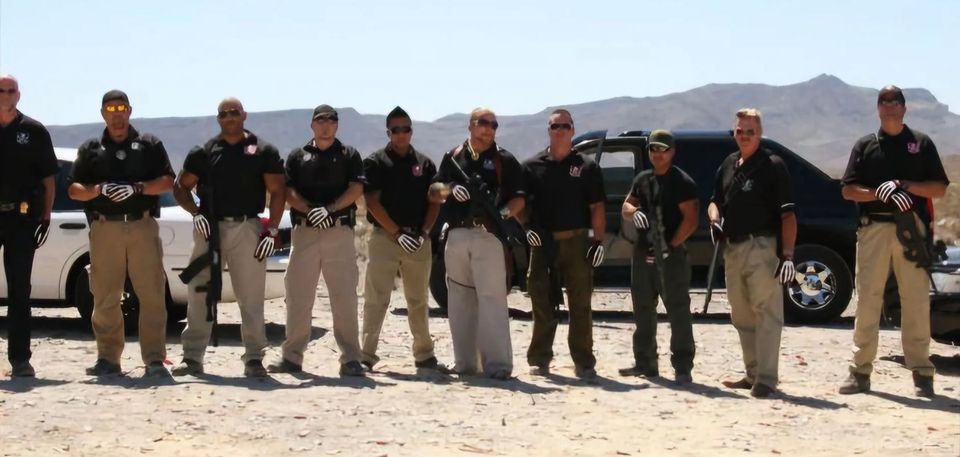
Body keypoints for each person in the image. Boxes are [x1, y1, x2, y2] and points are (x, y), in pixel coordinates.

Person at [838, 85, 949, 397]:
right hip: (873, 228)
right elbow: (847, 190)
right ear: (878, 108)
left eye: (894, 101)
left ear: (903, 107)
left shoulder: (921, 143)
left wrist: (907, 186)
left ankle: (922, 374)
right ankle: (860, 372)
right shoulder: (865, 145)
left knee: (915, 300)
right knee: (868, 300)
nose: (889, 107)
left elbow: (938, 188)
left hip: (911, 230)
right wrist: (877, 193)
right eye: (883, 102)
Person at [171, 98, 285, 378]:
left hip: (247, 227)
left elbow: (279, 191)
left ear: (244, 115)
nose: (230, 118)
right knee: (200, 293)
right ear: (218, 118)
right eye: (224, 114)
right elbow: (181, 186)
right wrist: (195, 212)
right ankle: (192, 357)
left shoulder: (263, 151)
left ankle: (255, 358)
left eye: (235, 113)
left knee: (250, 295)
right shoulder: (205, 152)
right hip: (210, 229)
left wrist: (272, 230)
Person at [69, 90, 175, 377]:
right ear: (103, 113)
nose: (116, 114)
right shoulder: (91, 148)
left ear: (130, 110)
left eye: (121, 108)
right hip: (105, 228)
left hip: (142, 225)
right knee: (104, 294)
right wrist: (99, 189)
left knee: (152, 292)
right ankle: (108, 358)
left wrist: (138, 188)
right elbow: (74, 189)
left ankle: (154, 359)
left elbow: (167, 181)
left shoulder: (149, 145)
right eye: (110, 109)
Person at [267, 105, 366, 377]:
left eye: (331, 121)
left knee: (344, 296)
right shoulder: (298, 156)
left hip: (339, 231)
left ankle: (351, 359)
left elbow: (356, 187)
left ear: (337, 125)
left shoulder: (349, 155)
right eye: (320, 121)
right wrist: (310, 210)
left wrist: (331, 209)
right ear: (312, 125)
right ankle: (291, 357)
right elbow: (288, 191)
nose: (326, 126)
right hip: (305, 232)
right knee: (298, 294)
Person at [707, 108, 797, 398]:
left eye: (750, 131)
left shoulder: (772, 165)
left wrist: (787, 256)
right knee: (741, 313)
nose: (744, 136)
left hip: (762, 246)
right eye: (739, 131)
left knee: (767, 312)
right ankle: (752, 373)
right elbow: (714, 201)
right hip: (732, 247)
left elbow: (788, 215)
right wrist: (714, 218)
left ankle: (767, 379)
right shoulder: (729, 164)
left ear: (759, 133)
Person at [430, 107, 525, 380]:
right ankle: (465, 364)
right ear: (470, 125)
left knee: (492, 300)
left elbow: (519, 197)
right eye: (483, 123)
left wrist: (502, 215)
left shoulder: (503, 160)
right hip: (457, 236)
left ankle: (498, 366)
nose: (489, 129)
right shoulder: (453, 157)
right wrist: (449, 190)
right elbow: (433, 191)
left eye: (494, 125)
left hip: (489, 236)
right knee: (459, 302)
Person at [521, 109, 605, 380]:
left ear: (572, 129)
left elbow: (597, 207)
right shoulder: (532, 166)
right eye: (555, 126)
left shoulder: (587, 166)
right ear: (548, 130)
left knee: (580, 302)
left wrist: (598, 241)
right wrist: (526, 228)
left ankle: (583, 360)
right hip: (542, 242)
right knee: (540, 299)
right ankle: (540, 358)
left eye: (565, 126)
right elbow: (520, 203)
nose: (560, 131)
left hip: (576, 241)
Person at [359, 106, 445, 371]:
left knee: (418, 298)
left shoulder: (425, 163)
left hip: (417, 238)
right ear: (388, 132)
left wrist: (424, 232)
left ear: (411, 131)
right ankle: (365, 354)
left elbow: (436, 199)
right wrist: (396, 232)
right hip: (385, 237)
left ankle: (424, 354)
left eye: (405, 129)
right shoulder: (375, 162)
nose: (401, 134)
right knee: (377, 296)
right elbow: (371, 202)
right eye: (395, 130)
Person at [618, 130, 698, 384]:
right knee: (642, 307)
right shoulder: (643, 179)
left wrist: (671, 245)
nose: (658, 154)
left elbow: (692, 219)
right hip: (643, 253)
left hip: (671, 255)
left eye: (663, 149)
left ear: (672, 151)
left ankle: (682, 366)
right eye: (654, 149)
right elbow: (626, 204)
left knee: (677, 310)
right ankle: (645, 362)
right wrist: (633, 211)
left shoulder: (682, 181)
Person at [0, 74, 58, 378]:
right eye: (2, 91)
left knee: (20, 290)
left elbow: (49, 179)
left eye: (11, 91)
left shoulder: (33, 131)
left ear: (19, 95)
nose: (7, 95)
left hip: (22, 219)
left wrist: (45, 217)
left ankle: (20, 360)